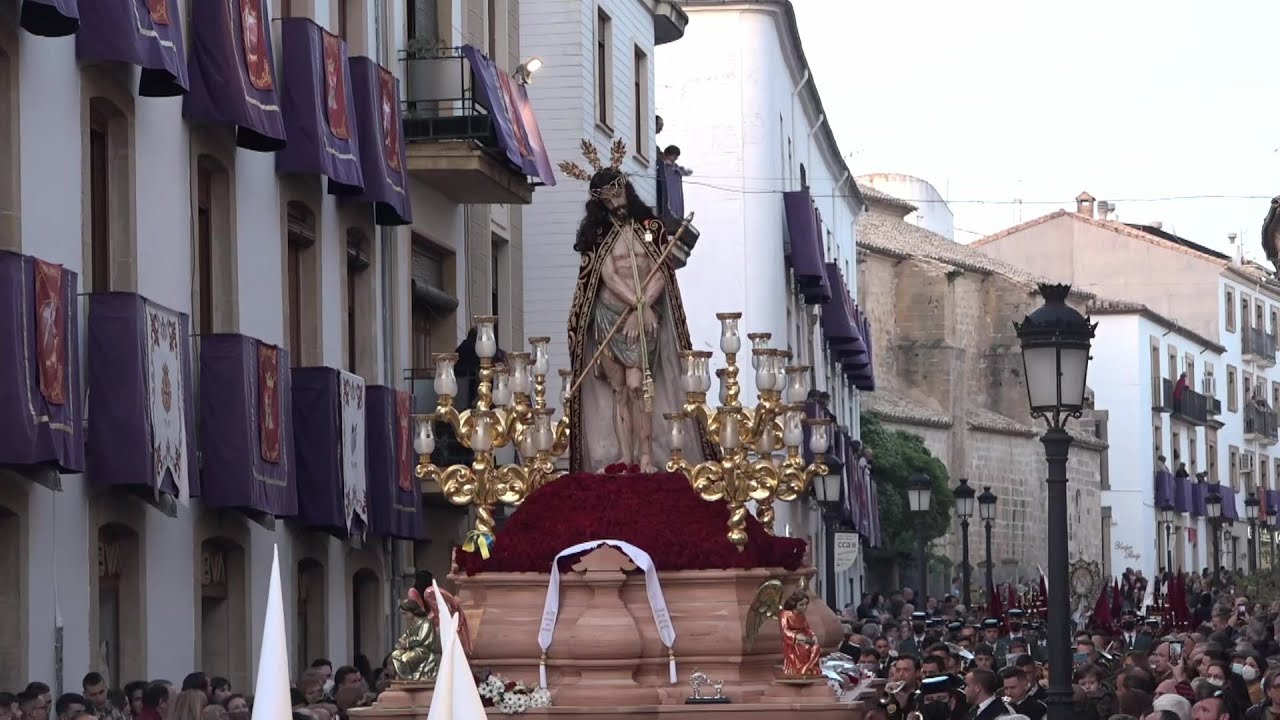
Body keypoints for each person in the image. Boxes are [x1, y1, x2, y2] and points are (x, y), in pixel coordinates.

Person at [559, 138, 713, 473]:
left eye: (618, 192)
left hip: (644, 321)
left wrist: (643, 309)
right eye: (608, 198)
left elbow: (663, 272)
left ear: (626, 189)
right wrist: (636, 304)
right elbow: (607, 276)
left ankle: (646, 456)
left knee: (639, 386)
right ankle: (625, 457)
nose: (616, 201)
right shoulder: (598, 238)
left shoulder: (650, 229)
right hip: (608, 317)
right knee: (619, 391)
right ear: (600, 202)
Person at [778, 590, 822, 677]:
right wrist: (796, 637)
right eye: (801, 604)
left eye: (806, 604)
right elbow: (785, 631)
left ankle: (808, 668)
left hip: (804, 638)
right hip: (793, 641)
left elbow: (806, 628)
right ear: (794, 604)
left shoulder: (802, 616)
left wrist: (813, 635)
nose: (804, 607)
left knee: (816, 648)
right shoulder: (785, 614)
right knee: (805, 648)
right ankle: (800, 669)